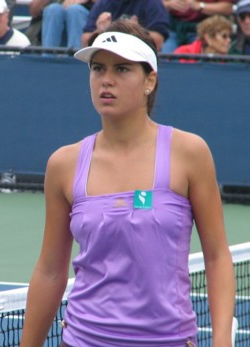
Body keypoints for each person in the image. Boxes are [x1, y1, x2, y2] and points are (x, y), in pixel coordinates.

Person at [21, 19, 235, 347]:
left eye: (122, 69)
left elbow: (218, 257)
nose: (106, 80)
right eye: (97, 68)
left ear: (149, 80)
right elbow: (50, 271)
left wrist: (221, 342)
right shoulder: (63, 165)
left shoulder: (190, 153)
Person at [81, 0, 170, 51]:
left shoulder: (152, 3)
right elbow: (85, 42)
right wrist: (100, 31)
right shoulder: (103, 3)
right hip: (106, 55)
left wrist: (135, 32)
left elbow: (158, 42)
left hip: (139, 59)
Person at [161, 0, 234, 53]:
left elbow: (228, 7)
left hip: (204, 29)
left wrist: (200, 5)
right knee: (165, 62)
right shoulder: (184, 51)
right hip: (173, 29)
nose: (229, 40)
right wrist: (168, 4)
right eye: (225, 37)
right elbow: (153, 4)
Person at [29, 0, 96, 50]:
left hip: (87, 14)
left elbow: (105, 4)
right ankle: (47, 58)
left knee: (74, 10)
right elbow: (34, 10)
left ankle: (77, 59)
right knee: (53, 10)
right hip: (57, 13)